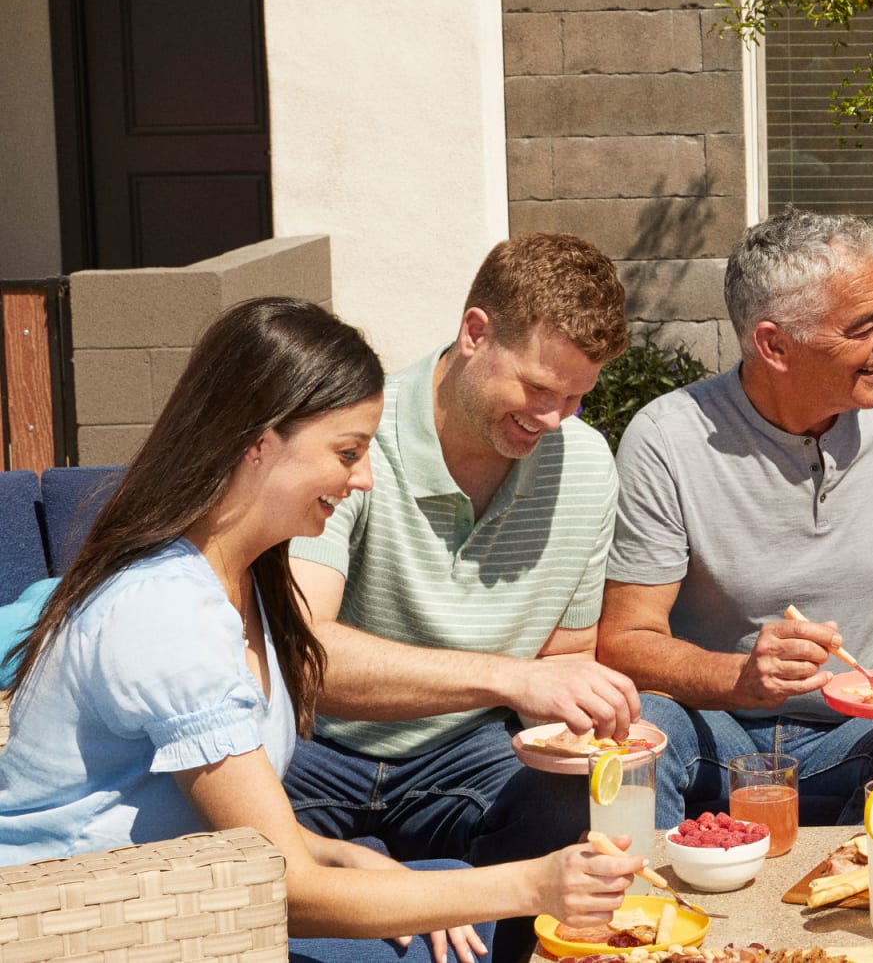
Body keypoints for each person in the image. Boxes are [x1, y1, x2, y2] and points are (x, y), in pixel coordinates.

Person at [0, 298, 641, 963]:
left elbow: (225, 826)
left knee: (446, 903)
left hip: (181, 897)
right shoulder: (167, 610)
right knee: (445, 941)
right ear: (256, 442)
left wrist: (347, 856)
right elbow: (290, 892)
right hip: (80, 928)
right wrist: (536, 884)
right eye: (347, 451)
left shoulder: (246, 580)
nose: (363, 478)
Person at [284, 234, 641, 961]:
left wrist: (589, 726)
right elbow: (305, 655)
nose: (554, 419)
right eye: (539, 389)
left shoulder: (585, 464)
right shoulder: (355, 438)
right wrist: (509, 676)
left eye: (577, 396)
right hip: (308, 751)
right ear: (475, 333)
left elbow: (563, 662)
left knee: (611, 786)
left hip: (467, 757)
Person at [599, 209, 873, 826]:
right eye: (865, 326)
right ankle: (646, 918)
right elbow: (625, 640)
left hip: (865, 732)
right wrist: (741, 678)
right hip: (716, 733)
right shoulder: (668, 435)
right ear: (774, 345)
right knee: (639, 733)